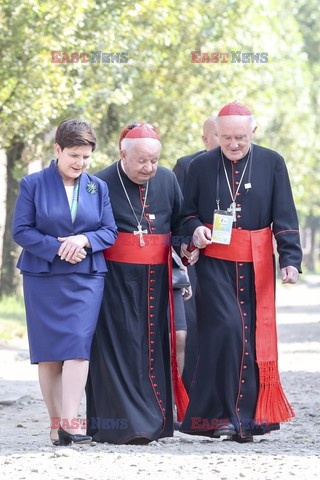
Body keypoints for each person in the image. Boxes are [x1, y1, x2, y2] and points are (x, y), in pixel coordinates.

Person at [179, 101, 302, 443]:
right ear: (215, 134)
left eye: (241, 138)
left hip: (258, 262)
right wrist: (195, 231)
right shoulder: (200, 166)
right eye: (226, 138)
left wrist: (289, 259)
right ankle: (223, 415)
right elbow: (186, 214)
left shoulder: (272, 162)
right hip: (215, 264)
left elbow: (285, 215)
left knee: (250, 335)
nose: (233, 144)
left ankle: (248, 418)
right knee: (228, 329)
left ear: (254, 132)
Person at [86, 122, 196, 445]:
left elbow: (180, 223)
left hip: (155, 283)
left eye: (154, 161)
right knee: (118, 349)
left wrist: (189, 240)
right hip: (113, 281)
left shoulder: (167, 180)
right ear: (123, 154)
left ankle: (153, 422)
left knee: (150, 347)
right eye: (142, 161)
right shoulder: (100, 182)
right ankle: (118, 424)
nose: (149, 168)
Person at [12, 119, 118, 446]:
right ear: (57, 150)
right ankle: (55, 425)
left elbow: (109, 231)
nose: (80, 164)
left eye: (86, 157)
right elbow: (22, 231)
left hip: (86, 277)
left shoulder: (97, 187)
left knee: (77, 347)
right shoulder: (32, 184)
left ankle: (71, 423)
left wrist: (83, 241)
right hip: (43, 276)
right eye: (73, 155)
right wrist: (58, 247)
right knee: (49, 355)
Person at [173, 115, 220, 393]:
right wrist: (186, 245)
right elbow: (175, 221)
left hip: (229, 261)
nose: (228, 141)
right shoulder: (186, 166)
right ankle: (188, 398)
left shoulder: (248, 166)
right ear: (205, 139)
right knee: (190, 329)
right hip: (193, 262)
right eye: (220, 135)